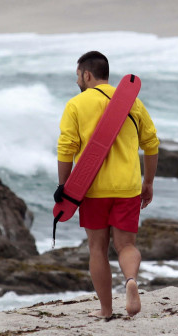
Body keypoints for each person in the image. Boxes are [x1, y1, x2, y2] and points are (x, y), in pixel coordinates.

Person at [56, 50, 159, 318]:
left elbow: (66, 149)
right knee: (126, 245)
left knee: (97, 249)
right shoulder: (132, 102)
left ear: (86, 74)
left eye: (78, 76)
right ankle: (131, 281)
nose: (77, 81)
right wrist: (147, 182)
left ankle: (105, 310)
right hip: (127, 187)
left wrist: (64, 186)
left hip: (91, 189)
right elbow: (151, 144)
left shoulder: (76, 105)